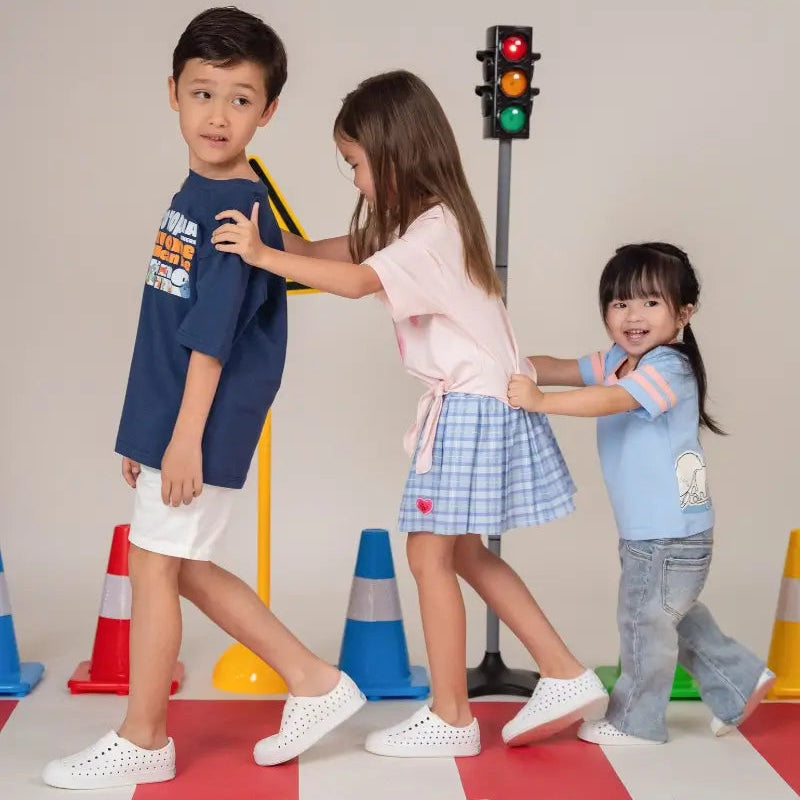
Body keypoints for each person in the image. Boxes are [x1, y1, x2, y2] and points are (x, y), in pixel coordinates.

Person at [210, 69, 608, 758]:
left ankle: (452, 715)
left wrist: (263, 255)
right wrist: (273, 240)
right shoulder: (432, 224)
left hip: (469, 408)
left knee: (429, 552)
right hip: (484, 401)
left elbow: (355, 280)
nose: (357, 181)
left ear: (395, 154)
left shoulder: (429, 235)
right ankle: (565, 672)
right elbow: (331, 254)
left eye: (357, 165)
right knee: (462, 554)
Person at [42, 8, 365, 790]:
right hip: (174, 417)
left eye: (241, 98)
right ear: (174, 94)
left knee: (157, 566)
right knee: (179, 565)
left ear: (269, 110)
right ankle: (315, 680)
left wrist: (182, 439)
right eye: (203, 92)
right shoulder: (198, 189)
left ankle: (144, 736)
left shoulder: (234, 206)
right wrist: (146, 431)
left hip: (203, 419)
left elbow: (213, 338)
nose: (218, 115)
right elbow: (166, 323)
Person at [508, 242, 773, 745]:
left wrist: (541, 402)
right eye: (620, 302)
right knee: (673, 614)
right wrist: (511, 363)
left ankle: (636, 721)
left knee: (642, 622)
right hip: (660, 529)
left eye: (651, 303)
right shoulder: (617, 358)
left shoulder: (666, 367)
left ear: (684, 313)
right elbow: (561, 366)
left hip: (666, 533)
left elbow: (611, 400)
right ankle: (739, 679)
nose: (633, 315)